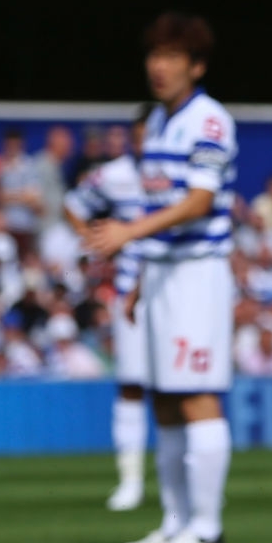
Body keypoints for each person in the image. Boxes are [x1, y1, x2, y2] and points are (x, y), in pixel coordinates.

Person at [87, 14, 240, 543]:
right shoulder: (155, 122)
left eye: (172, 57)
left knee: (197, 396)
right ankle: (175, 523)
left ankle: (207, 529)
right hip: (163, 274)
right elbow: (160, 204)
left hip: (198, 273)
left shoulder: (210, 121)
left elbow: (199, 201)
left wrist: (129, 232)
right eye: (155, 55)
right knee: (166, 402)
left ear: (196, 66)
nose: (159, 66)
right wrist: (142, 275)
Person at [67, 116, 150, 512]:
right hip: (130, 292)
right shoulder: (114, 175)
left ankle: (179, 482)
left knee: (181, 390)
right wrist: (97, 243)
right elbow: (74, 204)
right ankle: (130, 480)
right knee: (132, 384)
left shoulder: (183, 173)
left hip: (176, 291)